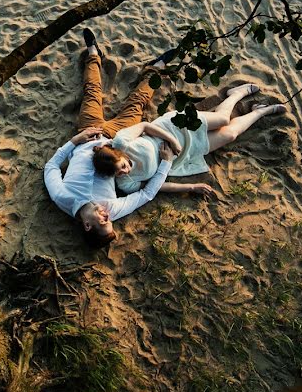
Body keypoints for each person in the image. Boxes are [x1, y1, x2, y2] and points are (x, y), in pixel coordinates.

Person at [43, 28, 196, 249]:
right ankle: (156, 68)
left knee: (92, 91)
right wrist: (167, 162)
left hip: (88, 132)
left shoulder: (62, 197)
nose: (107, 217)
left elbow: (51, 166)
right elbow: (147, 194)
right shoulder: (112, 208)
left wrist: (76, 140)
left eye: (104, 222)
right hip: (117, 139)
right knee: (138, 103)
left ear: (87, 225)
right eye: (109, 222)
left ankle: (93, 53)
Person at [92, 83, 286, 192]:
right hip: (182, 155)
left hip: (172, 129)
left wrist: (173, 141)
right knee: (230, 134)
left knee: (222, 119)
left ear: (119, 155)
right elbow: (156, 187)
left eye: (123, 166)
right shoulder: (126, 184)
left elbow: (145, 126)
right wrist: (191, 187)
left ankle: (235, 94)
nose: (125, 171)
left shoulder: (120, 142)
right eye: (119, 173)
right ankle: (260, 112)